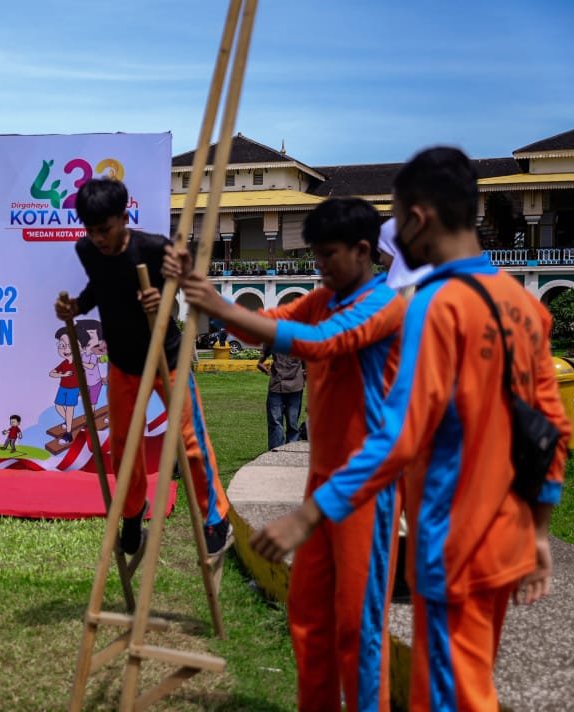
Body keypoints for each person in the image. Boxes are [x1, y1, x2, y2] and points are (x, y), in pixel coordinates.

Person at [250, 147, 570, 711]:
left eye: (396, 220)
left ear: (417, 219)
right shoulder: (525, 306)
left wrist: (310, 513)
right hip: (509, 532)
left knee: (450, 697)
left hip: (454, 539)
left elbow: (397, 436)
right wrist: (539, 531)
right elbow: (552, 426)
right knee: (472, 684)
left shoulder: (433, 307)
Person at [165, 197, 406, 712]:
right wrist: (205, 300)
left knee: (359, 624)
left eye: (327, 255)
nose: (318, 266)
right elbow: (266, 324)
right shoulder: (324, 296)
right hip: (320, 480)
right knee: (308, 614)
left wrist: (222, 305)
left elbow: (319, 343)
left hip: (365, 487)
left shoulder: (386, 304)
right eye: (315, 255)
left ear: (364, 251)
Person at [54, 177, 231, 560]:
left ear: (124, 217)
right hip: (123, 364)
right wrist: (77, 309)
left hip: (166, 360)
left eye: (105, 229)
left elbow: (184, 289)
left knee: (190, 441)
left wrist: (168, 289)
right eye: (91, 230)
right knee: (123, 449)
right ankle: (133, 513)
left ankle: (215, 518)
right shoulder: (87, 250)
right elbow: (99, 288)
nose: (98, 238)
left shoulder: (153, 248)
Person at [256, 343, 305, 449]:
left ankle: (291, 451)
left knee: (292, 423)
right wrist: (260, 363)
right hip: (277, 385)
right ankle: (275, 451)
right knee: (275, 421)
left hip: (295, 385)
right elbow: (263, 355)